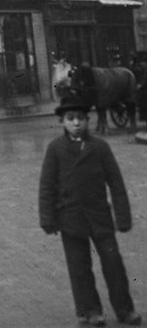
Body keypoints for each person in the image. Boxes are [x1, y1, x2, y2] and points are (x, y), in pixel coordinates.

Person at [39, 95, 142, 327]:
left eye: (80, 119)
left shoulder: (100, 147)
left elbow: (116, 183)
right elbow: (47, 185)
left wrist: (122, 217)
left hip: (99, 217)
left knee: (113, 263)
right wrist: (47, 218)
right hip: (70, 218)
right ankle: (90, 310)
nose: (76, 123)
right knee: (79, 267)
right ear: (62, 122)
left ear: (87, 120)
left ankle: (125, 310)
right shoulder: (55, 149)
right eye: (70, 118)